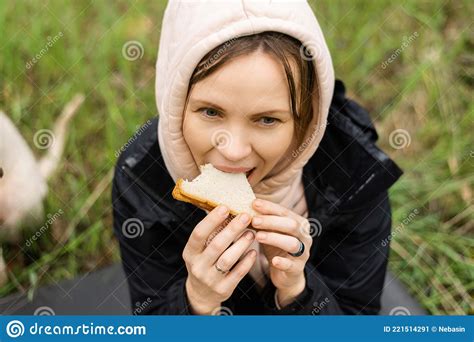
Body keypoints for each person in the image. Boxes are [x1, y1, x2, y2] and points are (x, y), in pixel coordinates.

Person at [112, 0, 403, 315]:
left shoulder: (353, 170)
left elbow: (357, 319)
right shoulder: (141, 176)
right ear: (176, 103)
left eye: (267, 120)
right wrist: (196, 302)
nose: (233, 150)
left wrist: (296, 291)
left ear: (306, 122)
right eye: (210, 112)